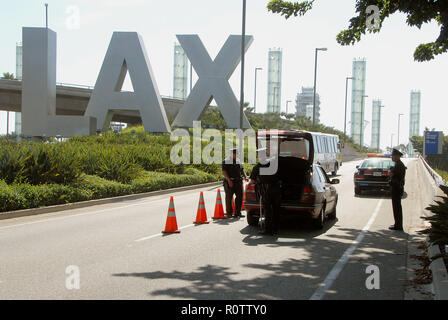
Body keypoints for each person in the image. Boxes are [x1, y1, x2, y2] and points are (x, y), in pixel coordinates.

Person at [250, 149, 281, 235]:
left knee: (267, 210)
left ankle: (268, 230)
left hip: (265, 190)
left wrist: (258, 181)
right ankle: (276, 229)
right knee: (276, 209)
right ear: (266, 154)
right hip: (276, 189)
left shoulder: (257, 167)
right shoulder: (273, 164)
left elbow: (252, 181)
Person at [222, 148, 247, 218]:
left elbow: (242, 170)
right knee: (229, 198)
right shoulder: (226, 161)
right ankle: (229, 213)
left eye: (238, 154)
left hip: (238, 181)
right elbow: (224, 172)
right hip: (229, 182)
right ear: (231, 154)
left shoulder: (238, 161)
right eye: (236, 154)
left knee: (239, 197)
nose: (237, 155)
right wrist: (229, 180)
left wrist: (245, 177)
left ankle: (237, 213)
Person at [388, 148, 406, 231]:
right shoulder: (398, 164)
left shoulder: (398, 165)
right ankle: (397, 224)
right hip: (397, 187)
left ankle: (398, 225)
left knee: (397, 207)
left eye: (393, 156)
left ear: (397, 156)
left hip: (397, 188)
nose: (392, 157)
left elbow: (391, 174)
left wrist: (390, 171)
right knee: (396, 207)